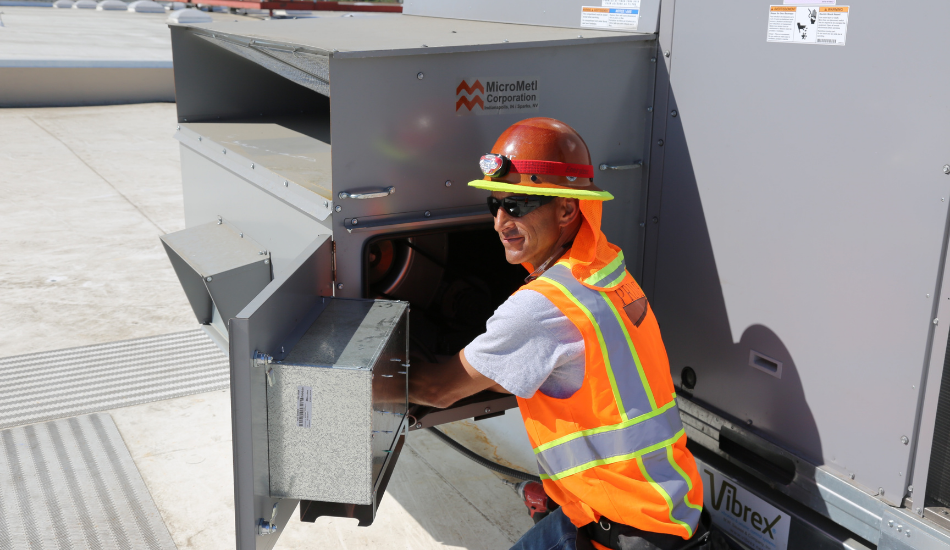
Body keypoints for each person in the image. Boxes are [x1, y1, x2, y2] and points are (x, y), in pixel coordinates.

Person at [408, 117, 707, 550]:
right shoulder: (604, 268)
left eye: (518, 205)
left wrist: (352, 375)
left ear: (567, 209)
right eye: (495, 205)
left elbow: (436, 390)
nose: (500, 222)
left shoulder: (541, 308)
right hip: (668, 503)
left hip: (619, 532)